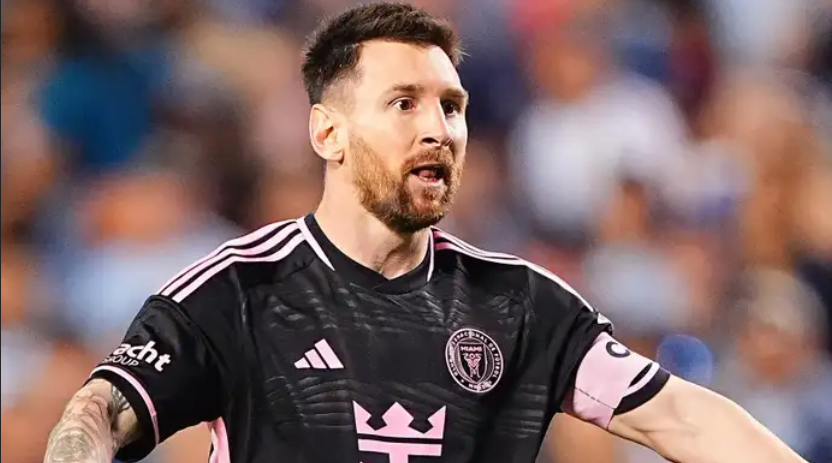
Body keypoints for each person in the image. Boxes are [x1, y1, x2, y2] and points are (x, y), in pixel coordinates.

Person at [43, 3, 806, 463]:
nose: (439, 128)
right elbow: (99, 413)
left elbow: (683, 415)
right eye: (404, 102)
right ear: (328, 132)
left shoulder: (520, 306)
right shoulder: (239, 291)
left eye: (453, 105)